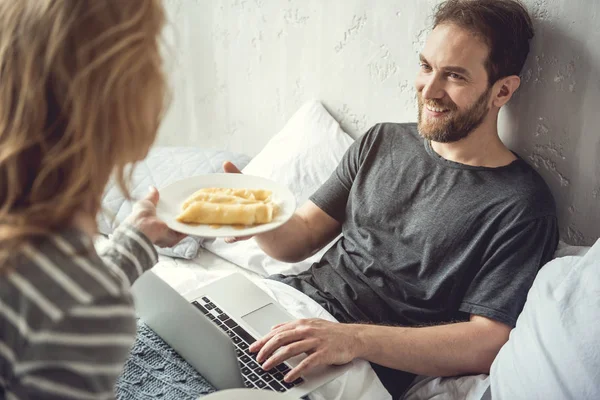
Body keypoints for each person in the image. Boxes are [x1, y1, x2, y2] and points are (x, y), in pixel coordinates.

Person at [224, 0, 559, 398]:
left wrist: (352, 339)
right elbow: (297, 240)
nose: (428, 90)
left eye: (453, 76)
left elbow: (488, 341)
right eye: (426, 67)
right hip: (288, 306)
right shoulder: (381, 141)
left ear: (501, 89)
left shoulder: (521, 204)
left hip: (357, 362)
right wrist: (259, 213)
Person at [0, 1, 185, 398]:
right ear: (116, 97)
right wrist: (96, 298)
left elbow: (46, 306)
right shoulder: (83, 307)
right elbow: (65, 308)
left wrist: (134, 240)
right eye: (152, 51)